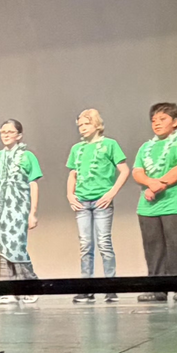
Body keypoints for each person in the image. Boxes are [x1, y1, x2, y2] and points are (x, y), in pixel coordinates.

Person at [131, 103, 177, 302]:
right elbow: (137, 171)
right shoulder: (146, 146)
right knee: (153, 249)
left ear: (175, 122)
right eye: (154, 120)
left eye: (162, 119)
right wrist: (150, 183)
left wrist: (159, 184)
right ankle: (157, 288)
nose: (157, 124)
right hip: (149, 207)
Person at [65, 109, 129, 304]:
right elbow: (73, 174)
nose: (82, 129)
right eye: (80, 126)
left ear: (97, 125)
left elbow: (125, 170)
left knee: (104, 242)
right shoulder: (77, 148)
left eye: (86, 124)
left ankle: (110, 286)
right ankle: (87, 287)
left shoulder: (109, 145)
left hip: (101, 201)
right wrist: (70, 194)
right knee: (85, 244)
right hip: (83, 201)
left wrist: (111, 193)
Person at [0, 119, 42, 305]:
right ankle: (9, 289)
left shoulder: (27, 157)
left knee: (16, 246)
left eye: (10, 132)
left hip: (18, 207)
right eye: (3, 132)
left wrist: (33, 212)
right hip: (1, 209)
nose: (6, 135)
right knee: (2, 246)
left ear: (19, 135)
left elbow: (33, 184)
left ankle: (31, 286)